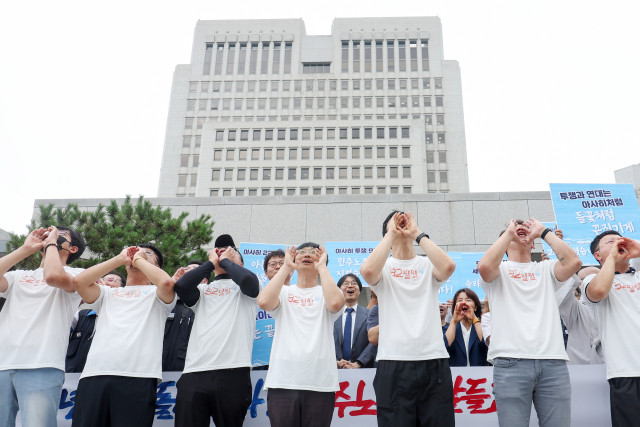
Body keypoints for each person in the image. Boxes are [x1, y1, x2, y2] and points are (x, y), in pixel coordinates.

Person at [478, 218, 582, 427]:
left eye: (525, 231)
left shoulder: (546, 269)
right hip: (510, 363)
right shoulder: (499, 272)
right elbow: (485, 266)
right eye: (514, 232)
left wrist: (543, 231)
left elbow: (574, 263)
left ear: (533, 244)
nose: (520, 232)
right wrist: (508, 233)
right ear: (504, 244)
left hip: (552, 362)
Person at [361, 211, 456, 427]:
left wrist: (417, 233)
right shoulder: (383, 268)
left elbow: (448, 267)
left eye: (405, 222)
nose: (401, 225)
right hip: (393, 362)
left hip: (433, 360)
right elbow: (367, 271)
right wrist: (391, 234)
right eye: (395, 224)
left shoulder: (427, 265)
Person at [71, 244, 176, 427]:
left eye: (147, 253)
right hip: (95, 375)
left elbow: (167, 283)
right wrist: (120, 259)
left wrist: (139, 259)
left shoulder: (157, 293)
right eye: (133, 250)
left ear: (156, 267)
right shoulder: (109, 293)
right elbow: (79, 282)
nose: (137, 252)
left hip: (138, 376)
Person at [0, 226, 85, 427]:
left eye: (61, 234)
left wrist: (51, 244)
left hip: (42, 364)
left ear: (72, 249)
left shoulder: (78, 274)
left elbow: (52, 277)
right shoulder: (18, 276)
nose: (51, 236)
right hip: (3, 363)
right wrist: (26, 249)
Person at [173, 235, 260, 427]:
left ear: (240, 262)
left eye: (229, 251)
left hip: (233, 371)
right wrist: (211, 263)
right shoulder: (203, 290)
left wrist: (227, 260)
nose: (222, 254)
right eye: (219, 251)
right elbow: (181, 286)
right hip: (194, 372)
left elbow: (246, 280)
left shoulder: (249, 287)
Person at [258, 243, 345, 427]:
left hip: (320, 384)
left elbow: (336, 304)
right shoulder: (284, 291)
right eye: (302, 253)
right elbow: (264, 302)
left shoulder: (327, 293)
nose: (307, 255)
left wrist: (322, 267)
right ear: (294, 260)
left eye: (313, 253)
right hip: (283, 382)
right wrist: (287, 267)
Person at [581, 231, 640, 427]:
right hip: (626, 371)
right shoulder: (593, 280)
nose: (618, 243)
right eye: (610, 242)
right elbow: (598, 292)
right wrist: (613, 259)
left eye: (621, 239)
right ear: (598, 255)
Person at [66, 271, 126, 373]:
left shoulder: (125, 317)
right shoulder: (80, 315)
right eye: (102, 280)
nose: (105, 283)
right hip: (73, 378)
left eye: (111, 280)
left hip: (107, 374)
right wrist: (77, 300)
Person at [162, 261, 202, 372]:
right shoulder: (166, 303)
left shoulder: (205, 308)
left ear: (204, 280)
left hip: (189, 369)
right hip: (158, 367)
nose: (187, 271)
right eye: (186, 268)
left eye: (194, 270)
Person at [558, 266, 603, 365]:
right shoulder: (575, 308)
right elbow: (563, 293)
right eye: (593, 279)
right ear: (580, 284)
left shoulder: (612, 306)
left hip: (614, 371)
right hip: (580, 370)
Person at [334, 274, 377, 369]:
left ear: (360, 291)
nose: (350, 286)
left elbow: (374, 341)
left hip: (363, 370)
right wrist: (335, 362)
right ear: (338, 290)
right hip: (335, 370)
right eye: (345, 283)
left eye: (354, 283)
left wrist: (358, 363)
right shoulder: (331, 315)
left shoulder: (370, 314)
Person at [443, 288, 487, 366]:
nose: (463, 302)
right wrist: (454, 321)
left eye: (468, 300)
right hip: (456, 376)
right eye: (459, 300)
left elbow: (485, 342)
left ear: (476, 307)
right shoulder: (449, 329)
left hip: (480, 376)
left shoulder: (481, 327)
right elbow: (445, 347)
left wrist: (474, 318)